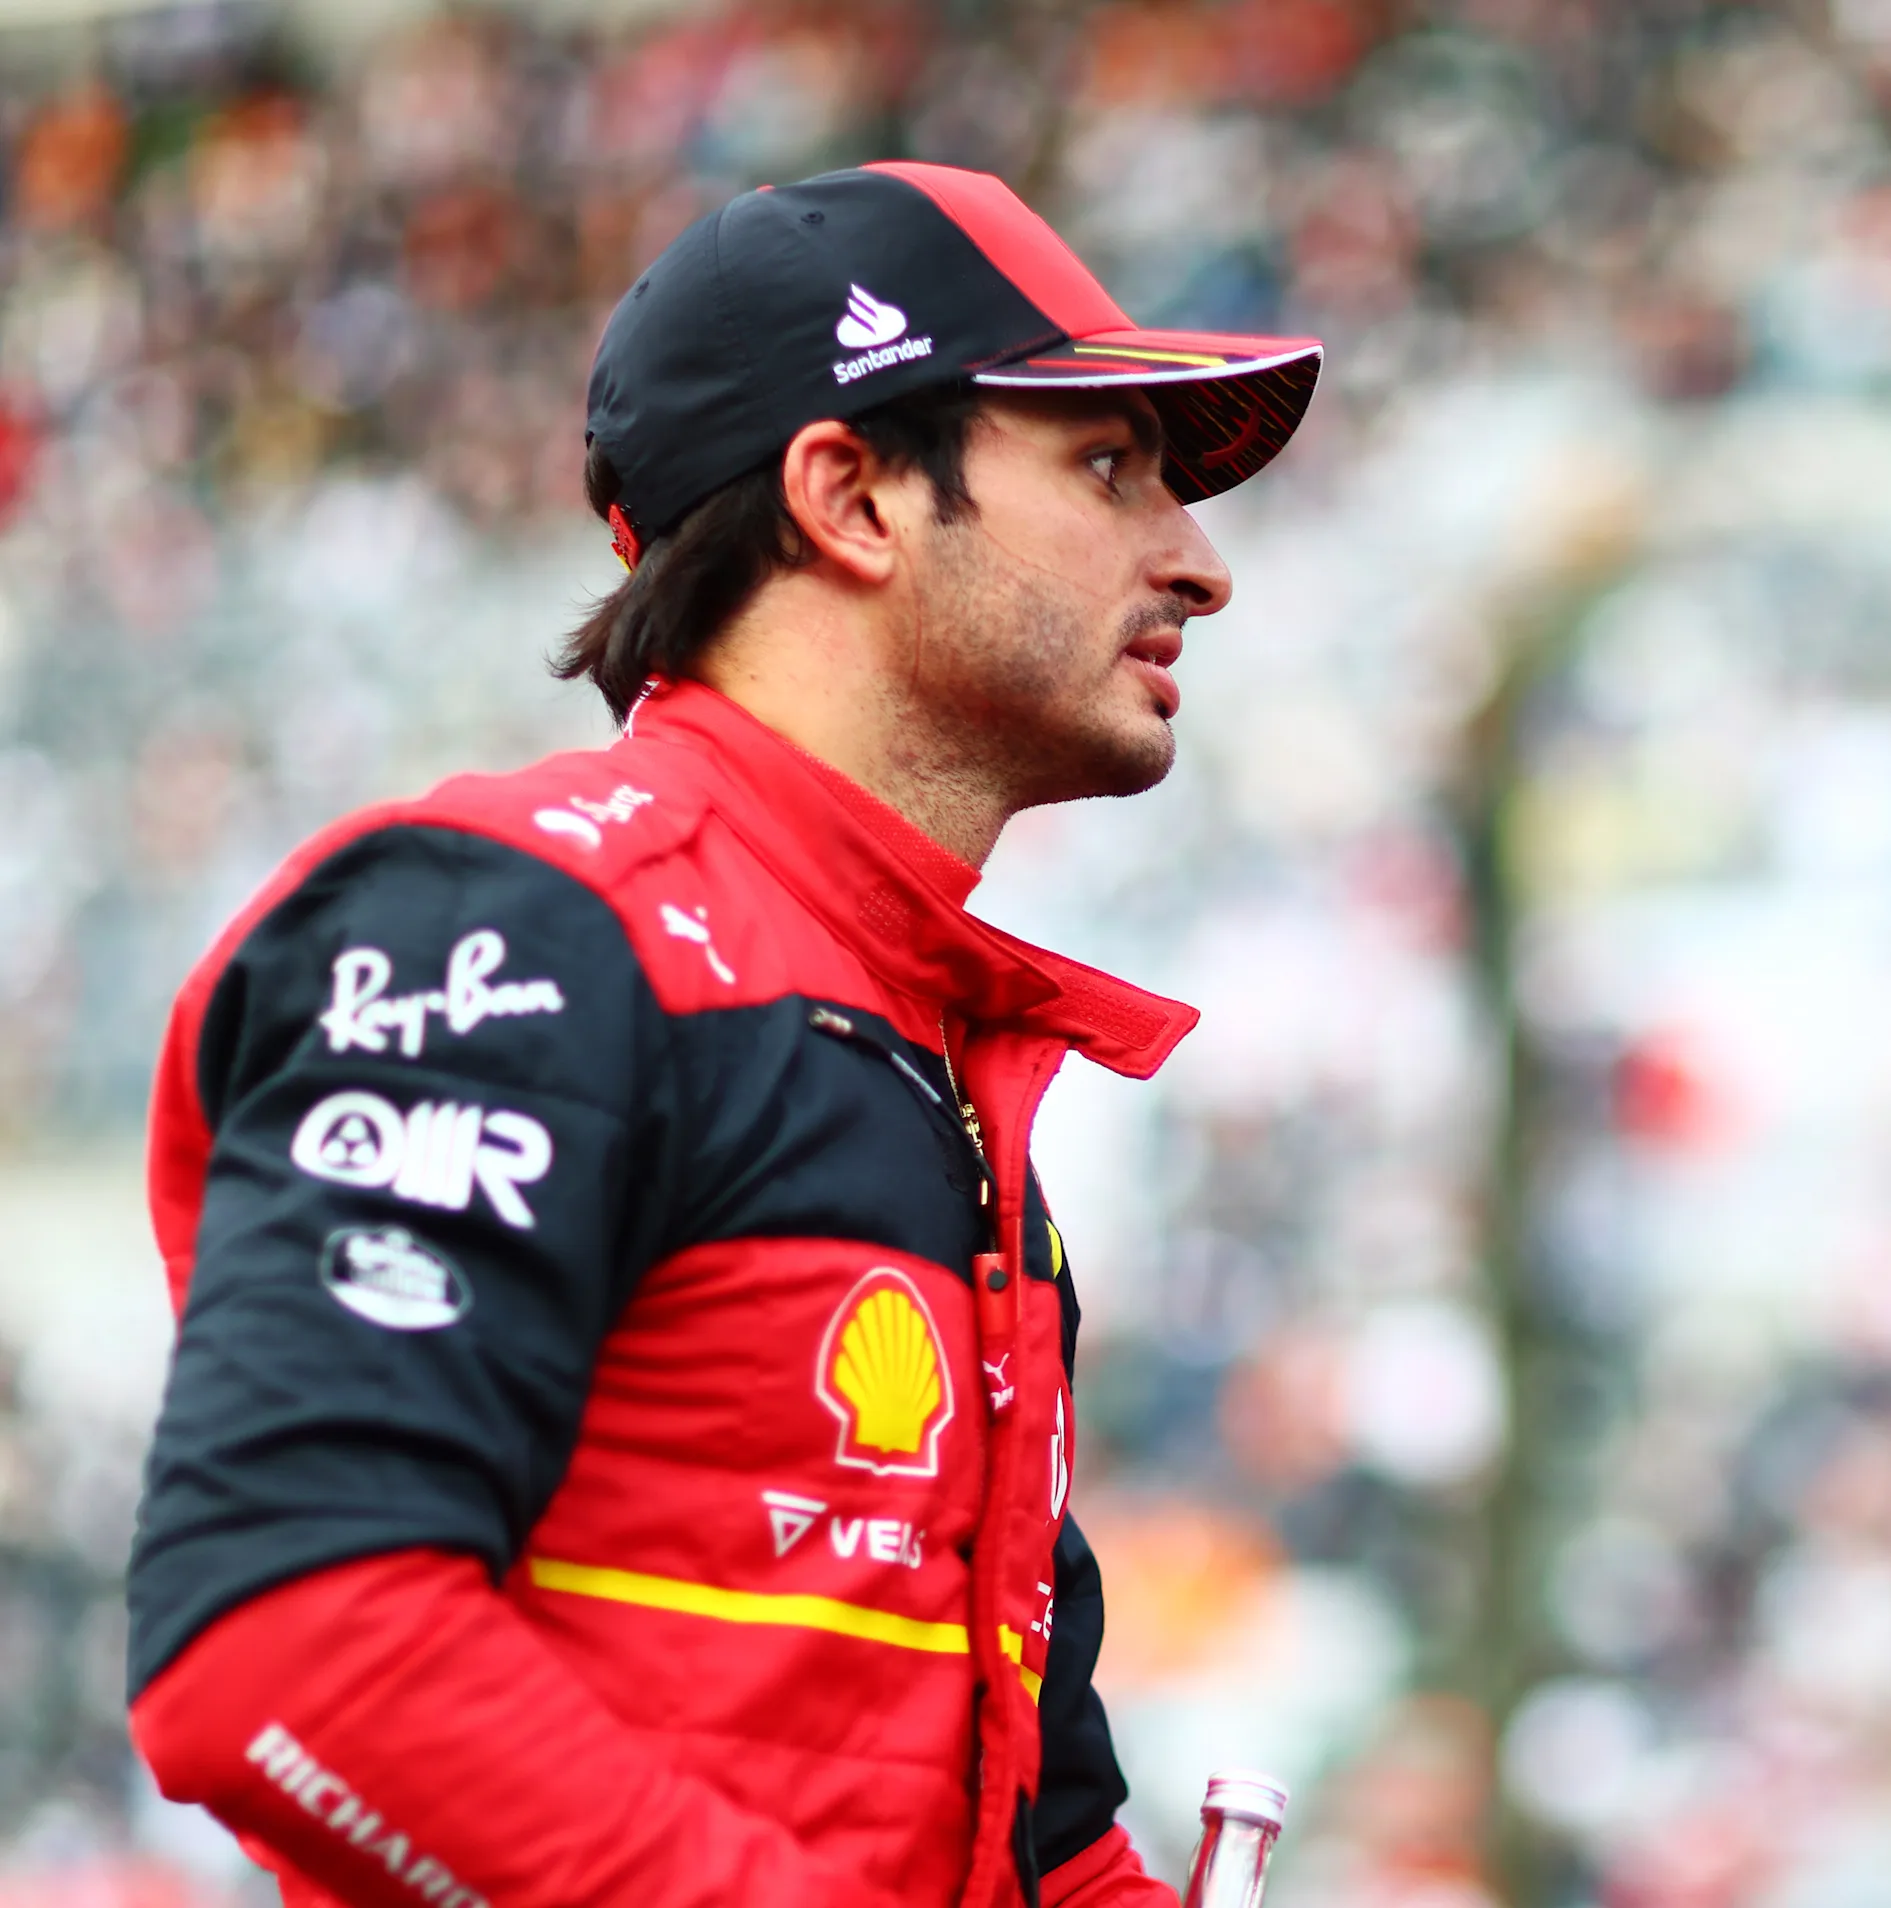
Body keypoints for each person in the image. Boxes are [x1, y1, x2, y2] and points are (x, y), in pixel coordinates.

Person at [121, 162, 1322, 1908]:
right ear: (851, 498)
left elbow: (1035, 1847)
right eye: (1109, 466)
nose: (1196, 564)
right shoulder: (514, 929)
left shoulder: (941, 1061)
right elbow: (280, 1648)